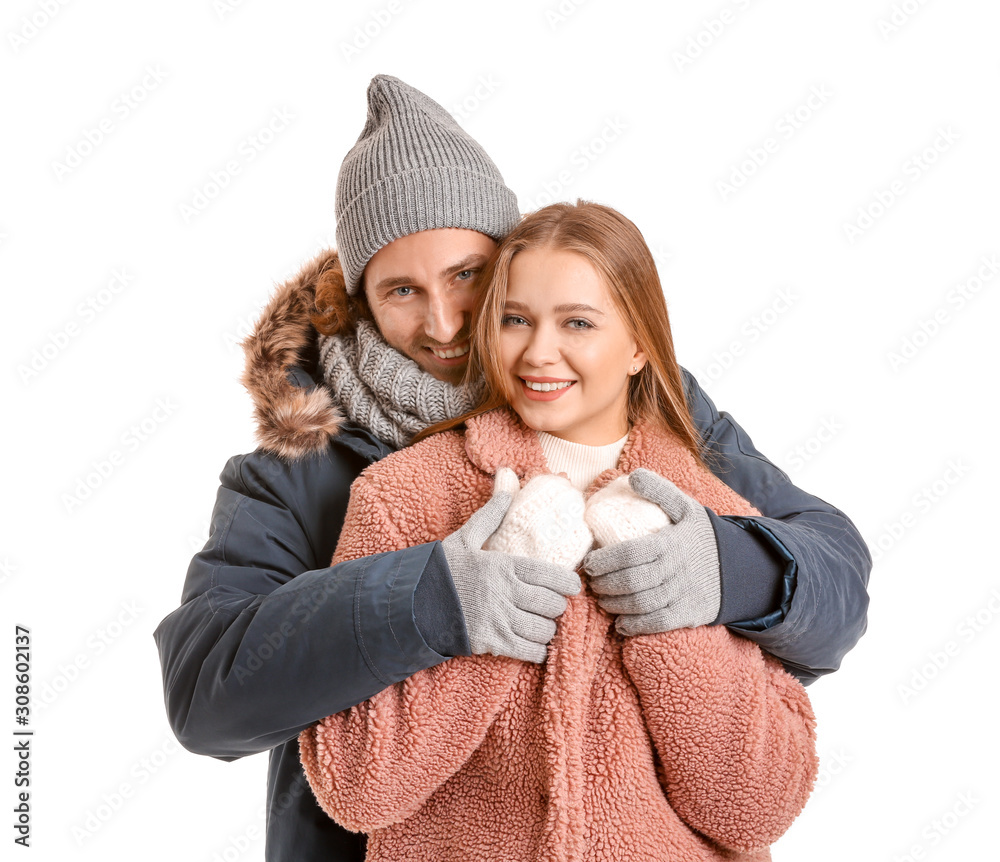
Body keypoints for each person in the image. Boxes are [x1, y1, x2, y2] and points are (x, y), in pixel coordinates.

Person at [153, 75, 870, 862]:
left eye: (468, 275)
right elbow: (203, 696)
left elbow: (834, 575)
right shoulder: (299, 467)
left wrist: (726, 566)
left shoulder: (645, 407)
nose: (445, 322)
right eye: (401, 290)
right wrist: (425, 600)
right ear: (360, 301)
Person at [299, 200, 819, 861]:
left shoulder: (710, 518)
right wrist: (491, 599)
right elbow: (357, 787)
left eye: (577, 322)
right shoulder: (402, 498)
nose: (539, 353)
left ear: (638, 345)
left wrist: (670, 612)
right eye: (516, 320)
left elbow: (754, 811)